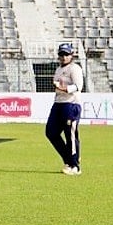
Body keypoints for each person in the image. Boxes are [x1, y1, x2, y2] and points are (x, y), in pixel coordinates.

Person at [45, 42, 83, 175]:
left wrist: (64, 88)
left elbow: (79, 86)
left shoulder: (75, 68)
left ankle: (75, 166)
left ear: (71, 55)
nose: (63, 57)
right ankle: (68, 160)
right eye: (61, 54)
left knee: (70, 134)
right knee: (51, 132)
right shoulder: (58, 69)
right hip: (59, 103)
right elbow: (56, 84)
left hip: (71, 104)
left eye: (66, 54)